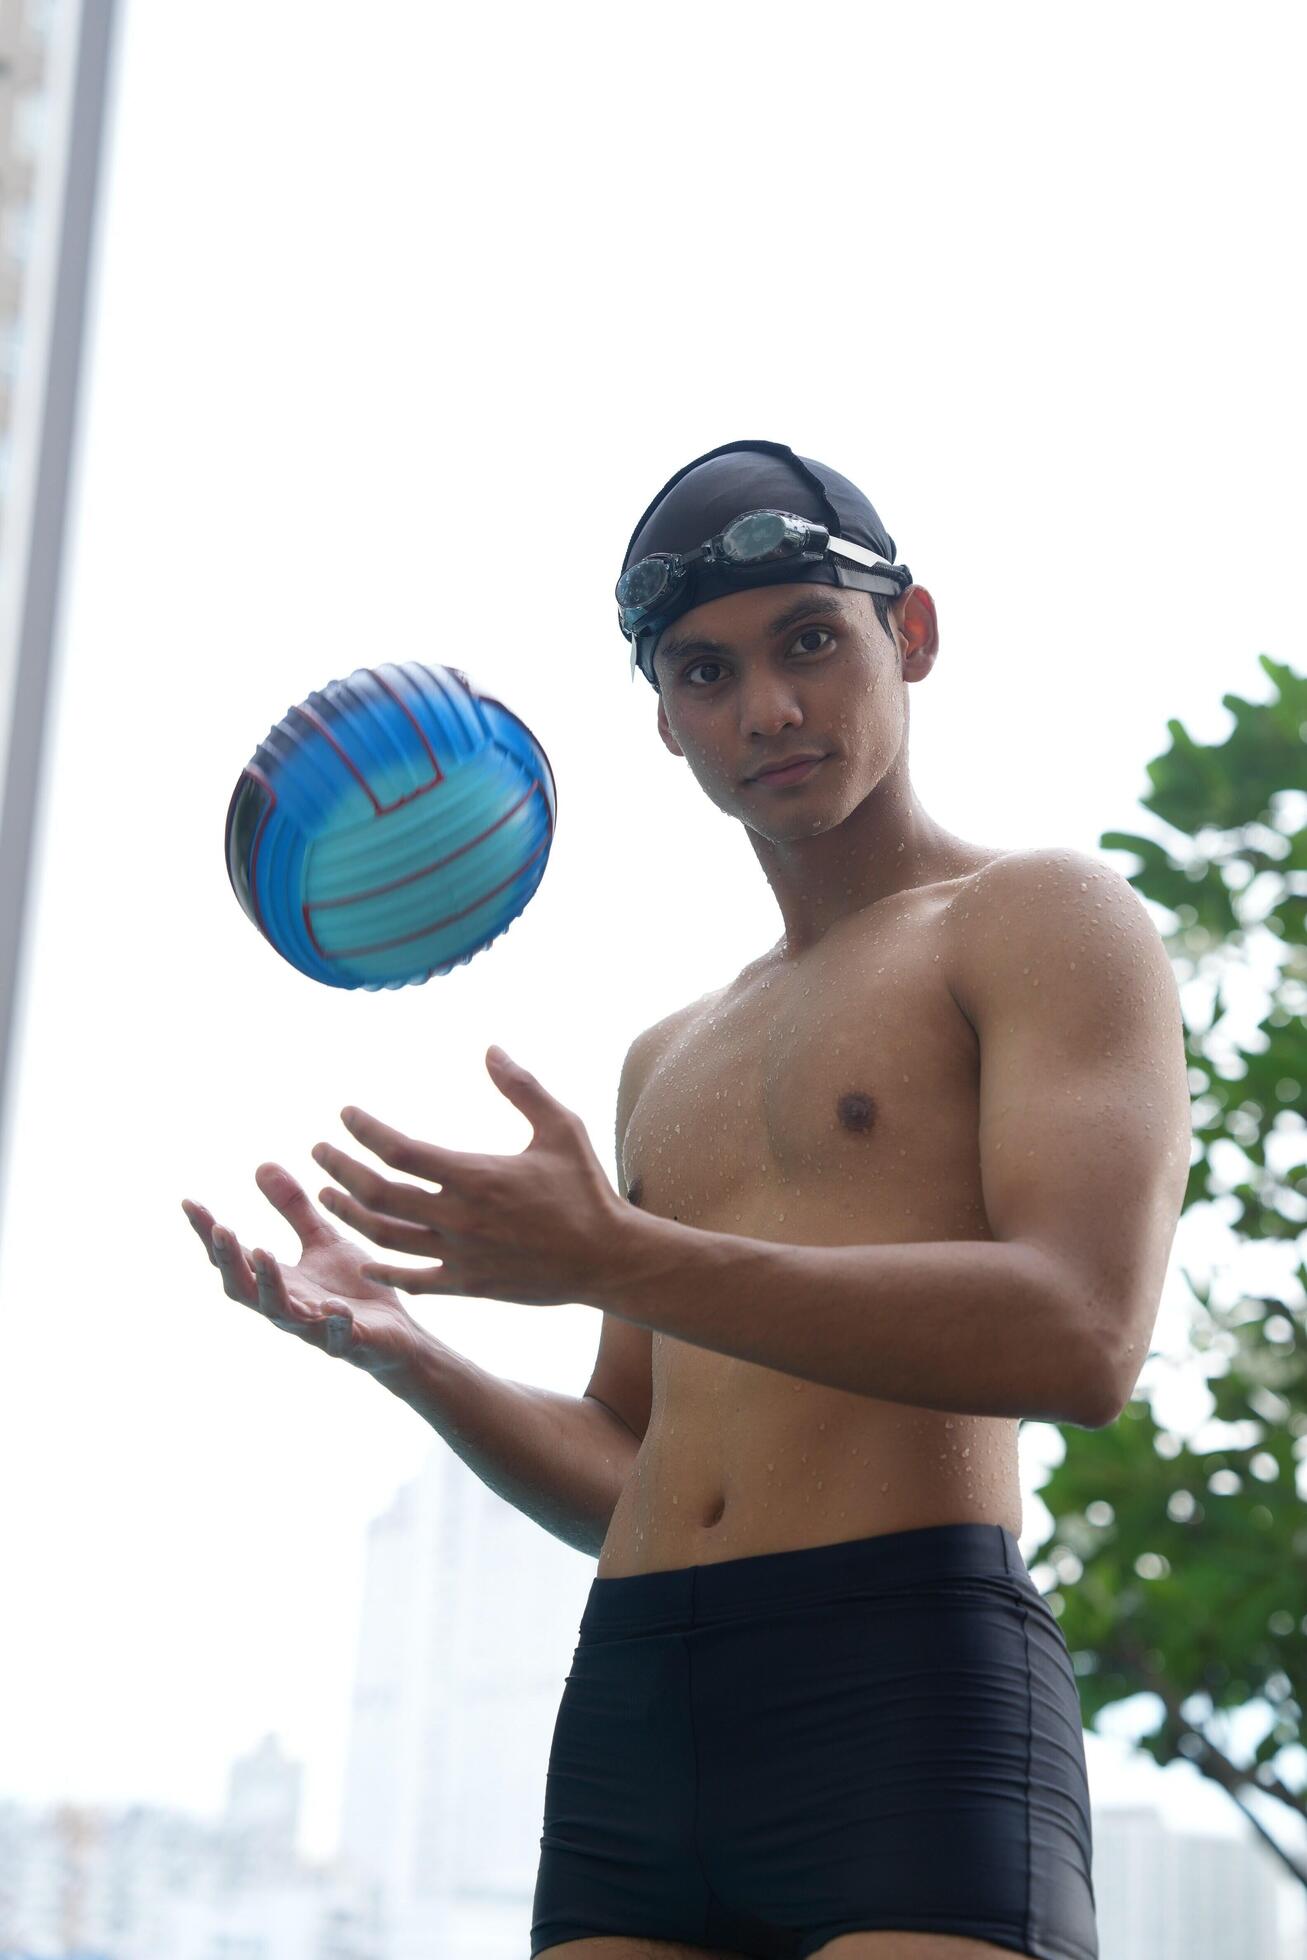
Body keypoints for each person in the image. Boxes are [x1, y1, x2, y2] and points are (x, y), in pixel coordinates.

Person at [183, 439, 1193, 1960]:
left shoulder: (1039, 920)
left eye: (809, 642)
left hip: (906, 1691)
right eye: (706, 673)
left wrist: (621, 1253)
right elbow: (627, 1464)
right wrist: (412, 1353)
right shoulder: (669, 1053)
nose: (766, 710)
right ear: (663, 720)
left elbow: (1082, 1336)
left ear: (908, 635)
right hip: (639, 1714)